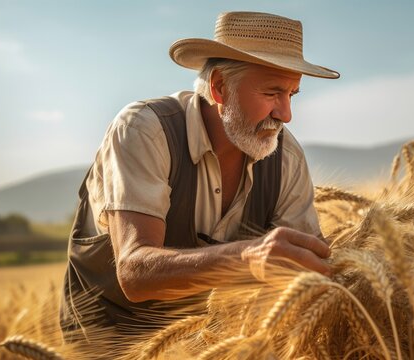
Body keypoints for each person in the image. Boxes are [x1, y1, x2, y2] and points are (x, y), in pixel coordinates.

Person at [60, 11, 340, 335]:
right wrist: (249, 257)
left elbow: (304, 271)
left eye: (291, 94)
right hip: (106, 337)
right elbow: (134, 273)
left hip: (204, 340)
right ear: (220, 87)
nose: (286, 115)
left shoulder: (286, 158)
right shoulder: (145, 130)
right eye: (271, 93)